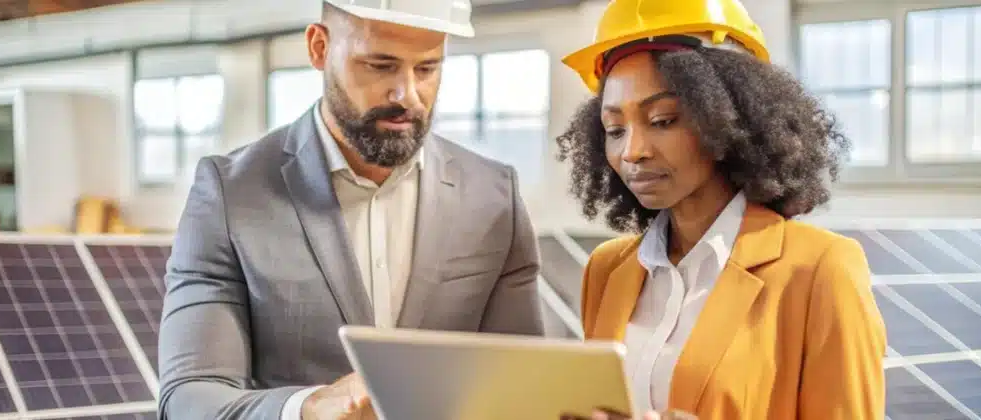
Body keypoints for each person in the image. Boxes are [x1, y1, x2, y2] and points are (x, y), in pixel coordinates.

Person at [157, 0, 545, 419]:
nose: (408, 95)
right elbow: (189, 399)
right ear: (319, 48)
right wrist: (306, 407)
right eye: (380, 66)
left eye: (427, 69)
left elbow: (523, 385)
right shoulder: (230, 195)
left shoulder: (495, 196)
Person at [554, 0, 888, 419]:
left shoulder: (821, 270)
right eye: (615, 130)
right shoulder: (607, 270)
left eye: (662, 120)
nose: (632, 152)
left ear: (731, 118)